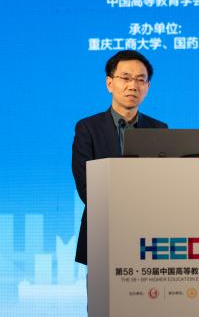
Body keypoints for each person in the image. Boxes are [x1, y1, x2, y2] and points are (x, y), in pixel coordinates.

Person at [72, 50, 168, 265]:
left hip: (148, 235)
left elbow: (164, 184)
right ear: (109, 83)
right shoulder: (88, 128)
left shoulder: (159, 129)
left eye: (140, 80)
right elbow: (86, 186)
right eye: (125, 78)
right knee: (102, 289)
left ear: (147, 87)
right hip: (103, 232)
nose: (133, 86)